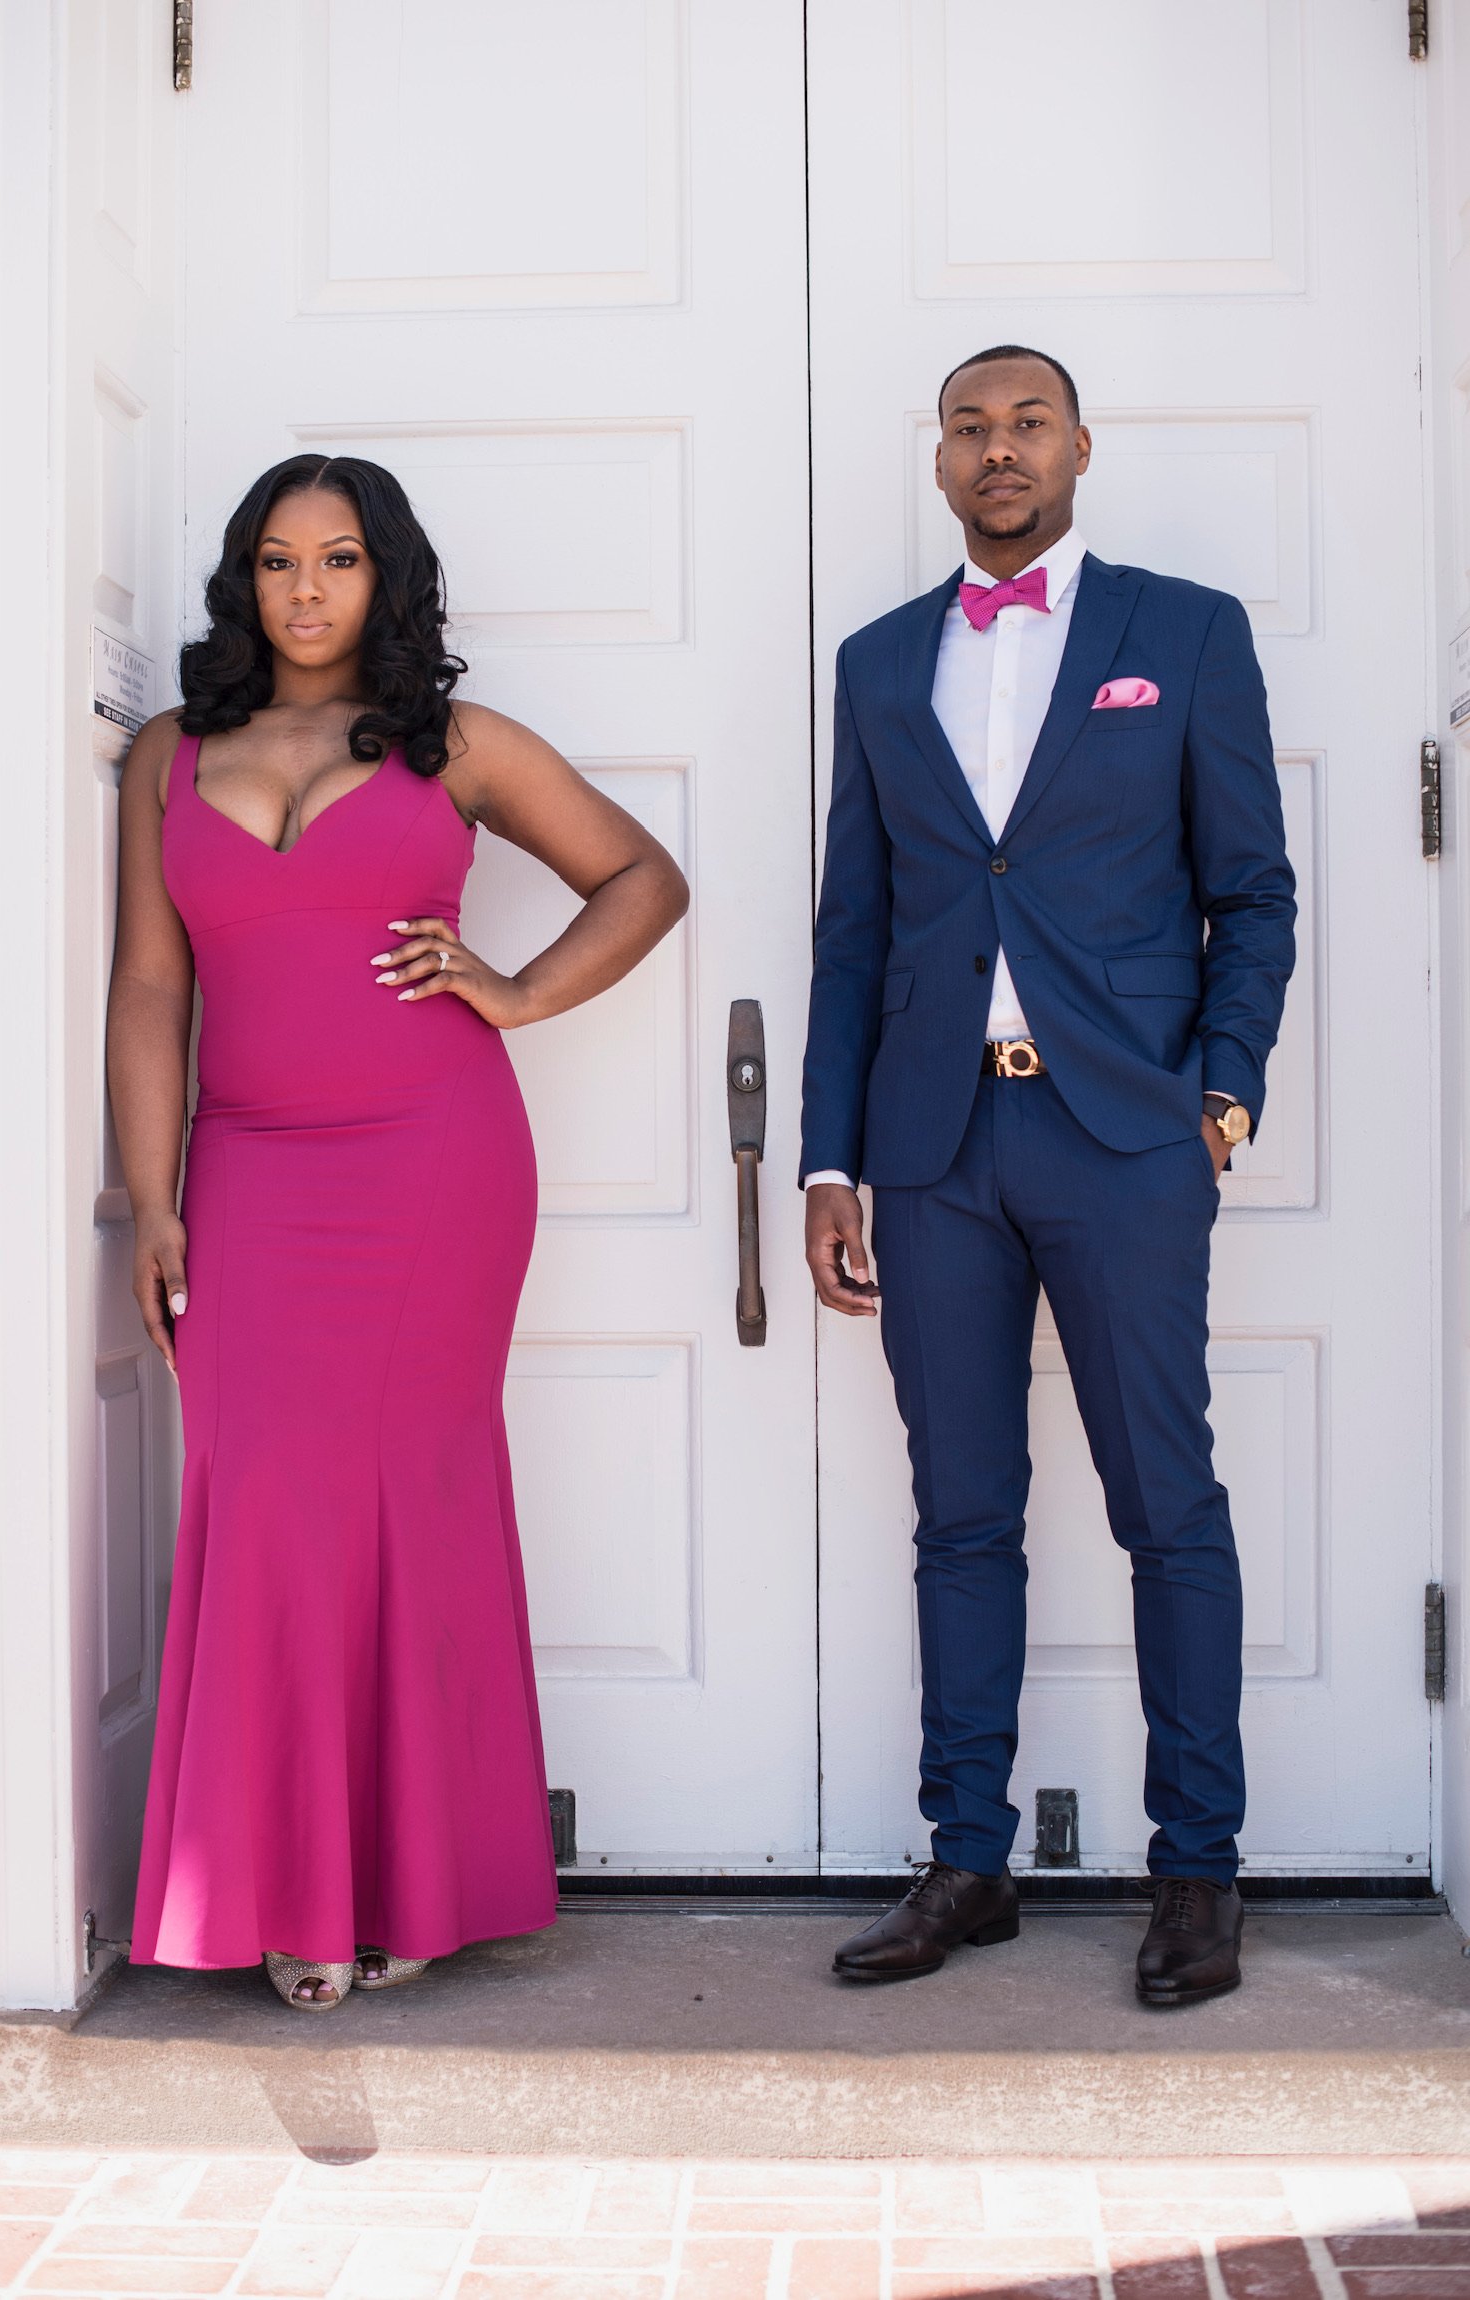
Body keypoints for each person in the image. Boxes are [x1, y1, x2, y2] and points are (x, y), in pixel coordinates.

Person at [108, 454, 688, 2009]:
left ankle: (417, 1885)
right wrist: (153, 1197)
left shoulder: (460, 744)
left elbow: (644, 877)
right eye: (281, 560)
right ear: (246, 577)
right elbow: (153, 989)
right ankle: (286, 1885)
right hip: (245, 1171)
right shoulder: (172, 752)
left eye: (341, 559)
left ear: (389, 576)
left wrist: (512, 992)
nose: (308, 589)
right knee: (265, 1503)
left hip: (433, 1165)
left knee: (412, 1495)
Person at [801, 347, 1295, 2006]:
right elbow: (852, 933)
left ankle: (1199, 1872)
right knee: (961, 1517)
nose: (996, 449)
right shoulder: (880, 664)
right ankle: (966, 1860)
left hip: (1123, 1137)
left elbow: (1254, 892)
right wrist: (827, 1157)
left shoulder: (1186, 633)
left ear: (1080, 446)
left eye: (1026, 424)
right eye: (968, 425)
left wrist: (1221, 1094)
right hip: (933, 1146)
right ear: (934, 457)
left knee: (1169, 1507)